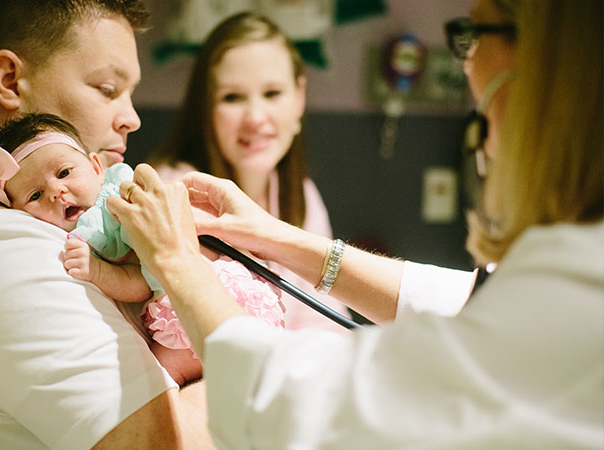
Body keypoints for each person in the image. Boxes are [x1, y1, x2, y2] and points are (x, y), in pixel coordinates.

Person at [108, 0, 603, 447]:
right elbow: (466, 298)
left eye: (474, 37)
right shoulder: (180, 191)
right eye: (233, 97)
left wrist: (177, 260)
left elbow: (295, 404)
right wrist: (273, 237)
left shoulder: (572, 294)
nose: (467, 68)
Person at [0, 1, 215, 448]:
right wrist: (263, 360)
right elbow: (164, 443)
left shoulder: (52, 227)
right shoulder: (4, 256)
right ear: (9, 81)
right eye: (106, 88)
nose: (132, 118)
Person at [0, 112, 284, 386]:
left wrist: (97, 271)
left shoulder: (117, 214)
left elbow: (141, 281)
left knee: (163, 382)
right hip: (214, 305)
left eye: (64, 173)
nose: (57, 192)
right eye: (35, 195)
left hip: (200, 303)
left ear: (97, 167)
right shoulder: (79, 234)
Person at [149, 12, 355, 332]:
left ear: (299, 98)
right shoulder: (174, 193)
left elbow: (328, 324)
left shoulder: (302, 195)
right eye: (233, 97)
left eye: (272, 94)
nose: (256, 117)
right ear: (205, 108)